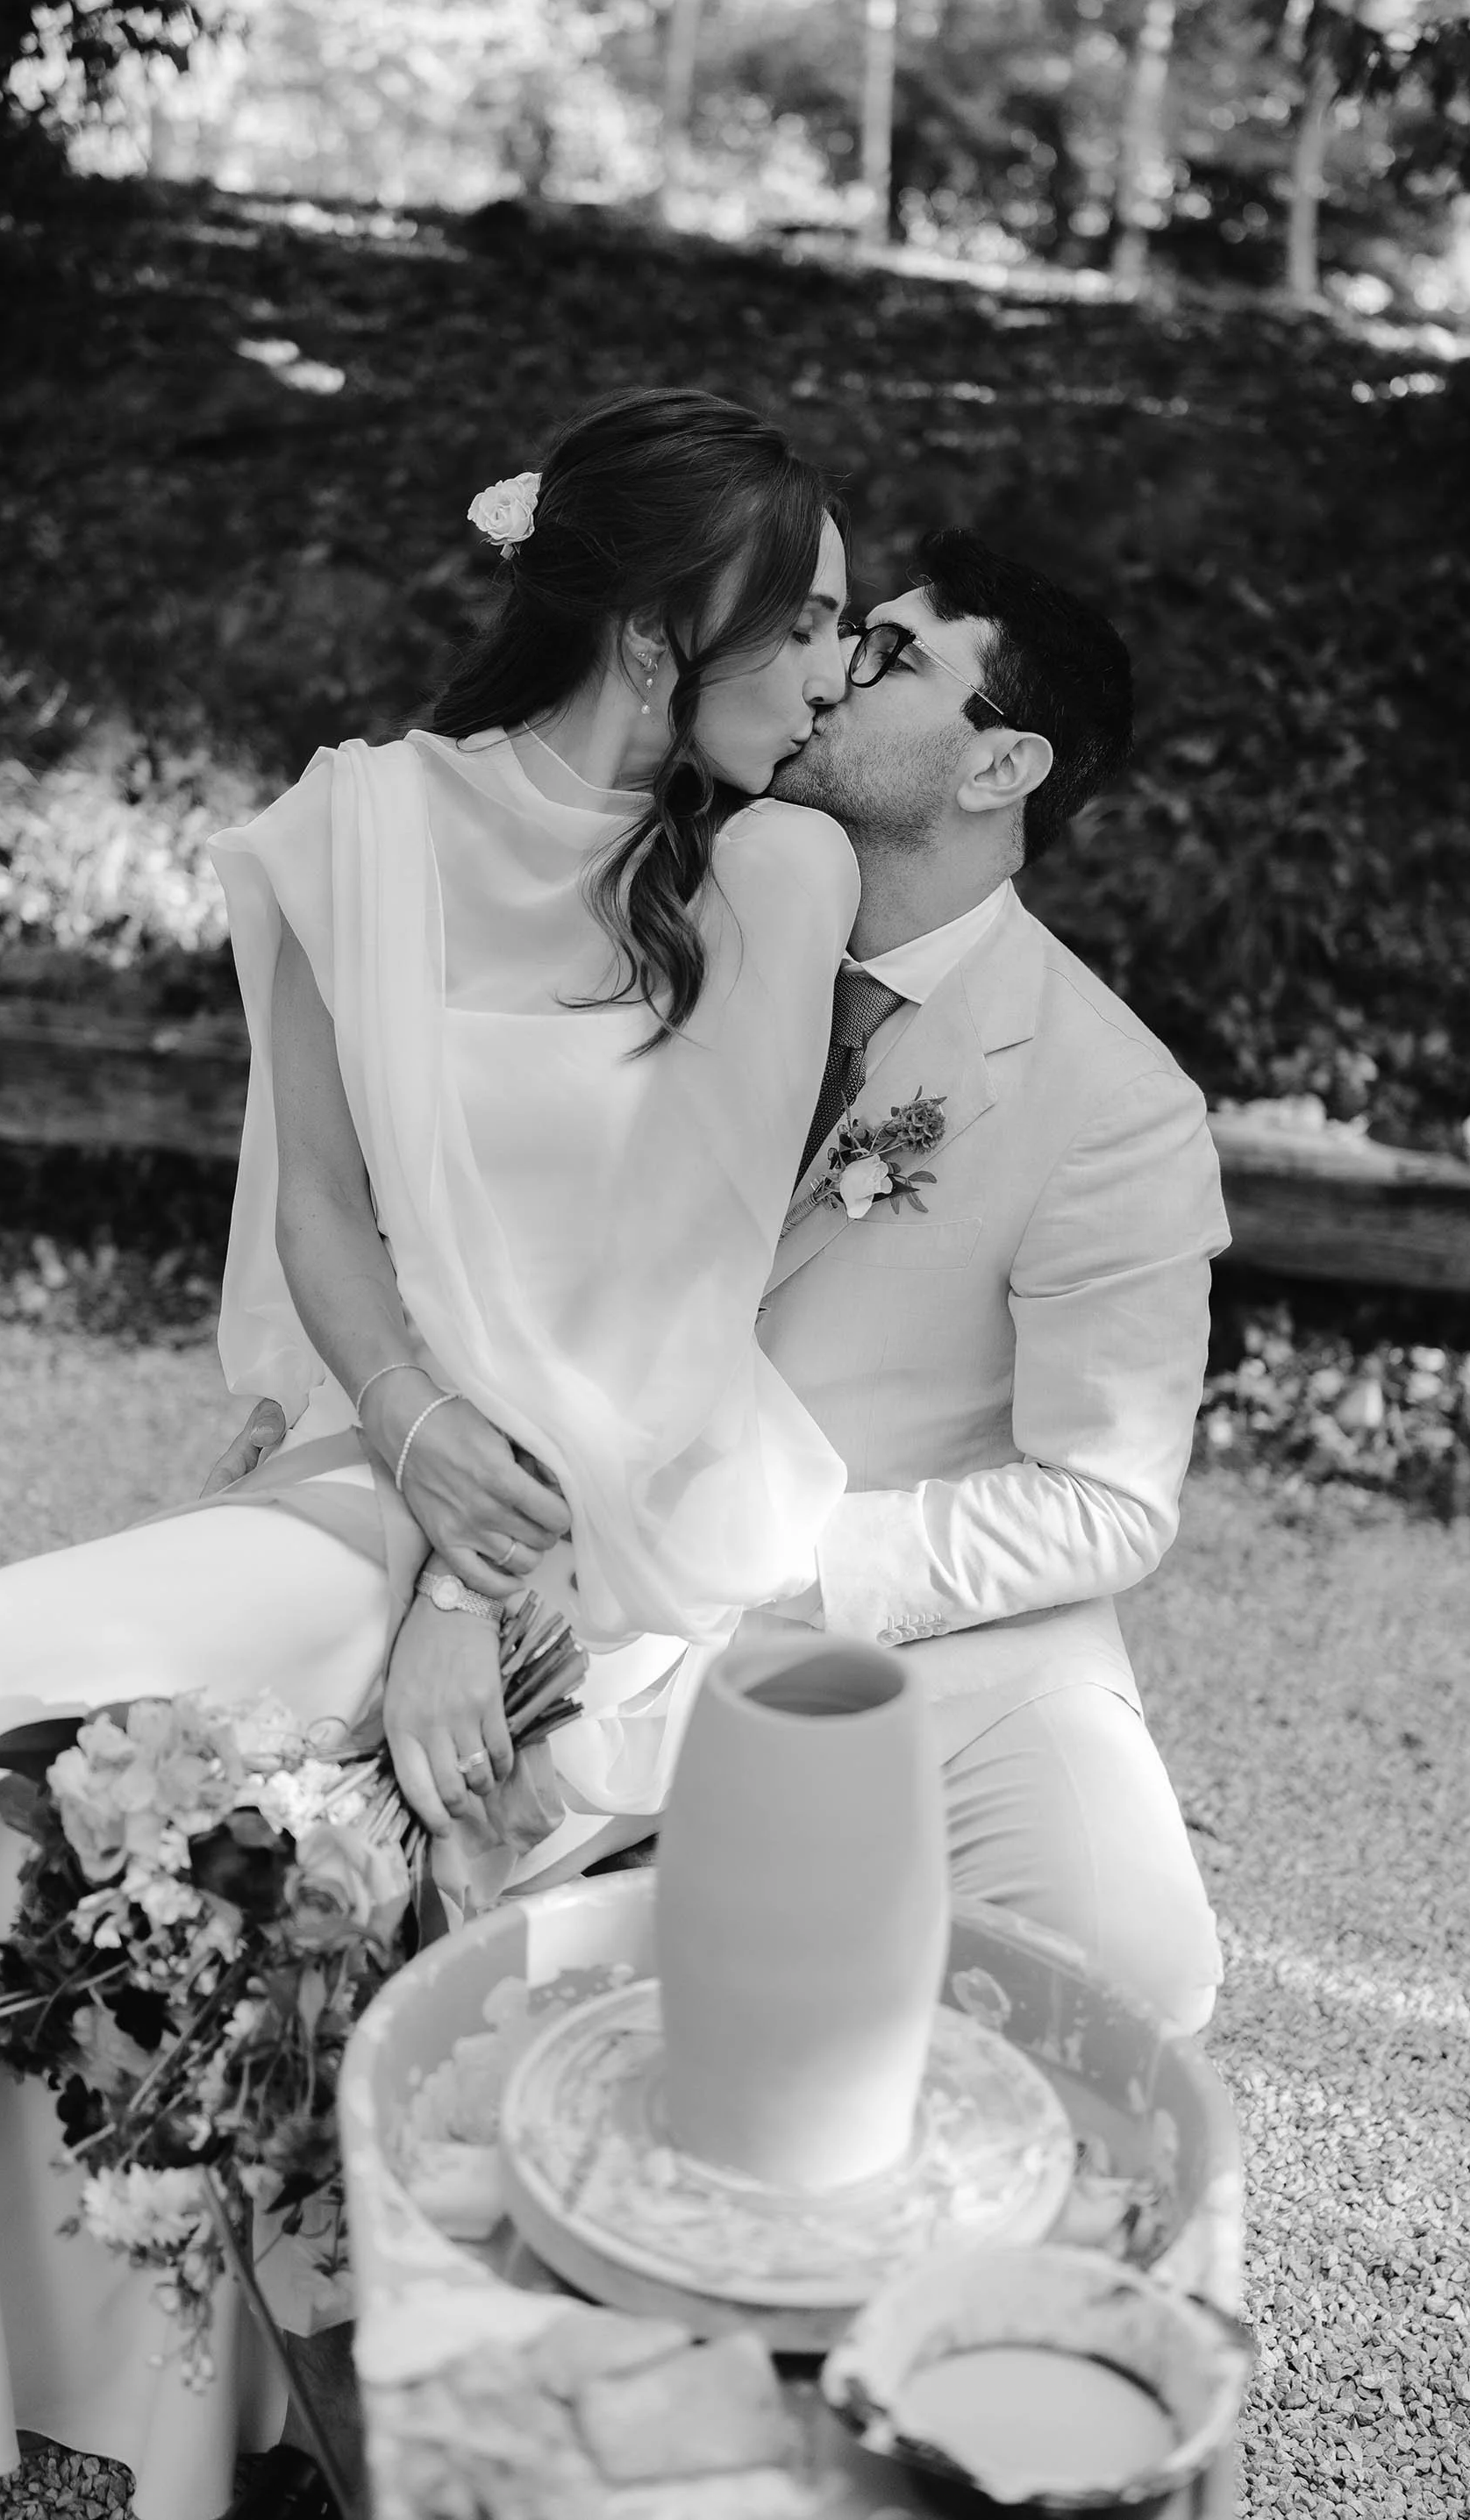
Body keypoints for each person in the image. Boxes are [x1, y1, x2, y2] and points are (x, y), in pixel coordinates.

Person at [0, 388, 862, 2520]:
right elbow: (321, 1212)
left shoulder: (774, 869)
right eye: (809, 627)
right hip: (381, 1453)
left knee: (161, 1714)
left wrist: (472, 1587)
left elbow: (676, 1304)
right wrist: (406, 1483)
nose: (837, 677)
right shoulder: (360, 822)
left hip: (620, 1512)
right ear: (666, 630)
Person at [223, 527, 1231, 2036]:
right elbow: (474, 1233)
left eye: (889, 655)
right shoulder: (653, 889)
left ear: (997, 768)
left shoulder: (1112, 1101)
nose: (827, 672)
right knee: (274, 1851)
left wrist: (774, 1567)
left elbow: (1109, 1497)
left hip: (874, 1589)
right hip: (548, 1517)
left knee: (1126, 1973)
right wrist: (443, 1508)